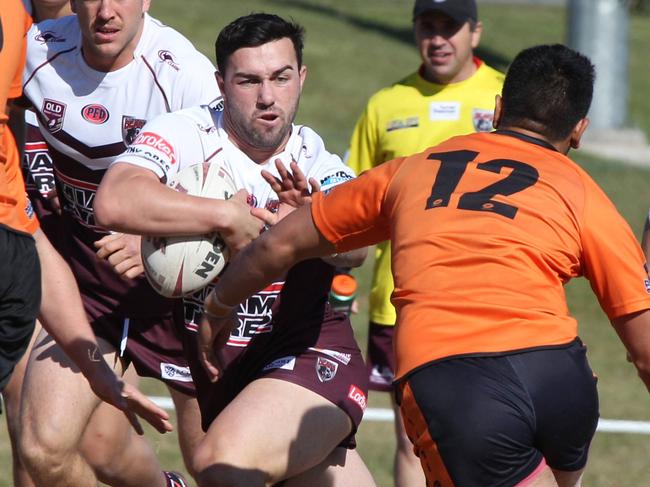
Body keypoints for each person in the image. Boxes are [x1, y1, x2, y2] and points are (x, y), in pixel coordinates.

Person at [198, 44, 650, 487]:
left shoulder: (412, 171)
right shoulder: (586, 193)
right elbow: (645, 344)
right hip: (561, 377)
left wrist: (218, 305)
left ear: (497, 109)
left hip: (458, 380)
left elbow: (278, 245)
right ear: (579, 130)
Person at [95, 12, 376, 487]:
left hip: (308, 358)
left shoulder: (318, 163)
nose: (268, 96)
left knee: (219, 465)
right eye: (249, 80)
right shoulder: (187, 133)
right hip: (219, 368)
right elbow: (115, 200)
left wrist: (309, 227)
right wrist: (222, 216)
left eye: (281, 78)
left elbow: (357, 252)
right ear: (220, 83)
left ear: (301, 78)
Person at [18, 1, 227, 485]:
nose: (106, 11)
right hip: (88, 291)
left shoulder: (184, 75)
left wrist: (157, 235)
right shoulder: (37, 53)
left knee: (215, 467)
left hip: (183, 296)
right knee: (42, 450)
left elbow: (237, 186)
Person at [1, 2, 172, 487]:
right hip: (54, 265)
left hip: (161, 292)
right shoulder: (28, 39)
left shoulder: (177, 71)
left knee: (121, 446)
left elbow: (226, 175)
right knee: (38, 440)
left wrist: (157, 235)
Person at [346, 0, 503, 483]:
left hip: (487, 300)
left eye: (449, 28)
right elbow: (353, 204)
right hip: (400, 305)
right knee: (413, 442)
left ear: (474, 33)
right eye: (427, 27)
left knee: (490, 437)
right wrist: (340, 274)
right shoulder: (386, 104)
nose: (437, 39)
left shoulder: (506, 95)